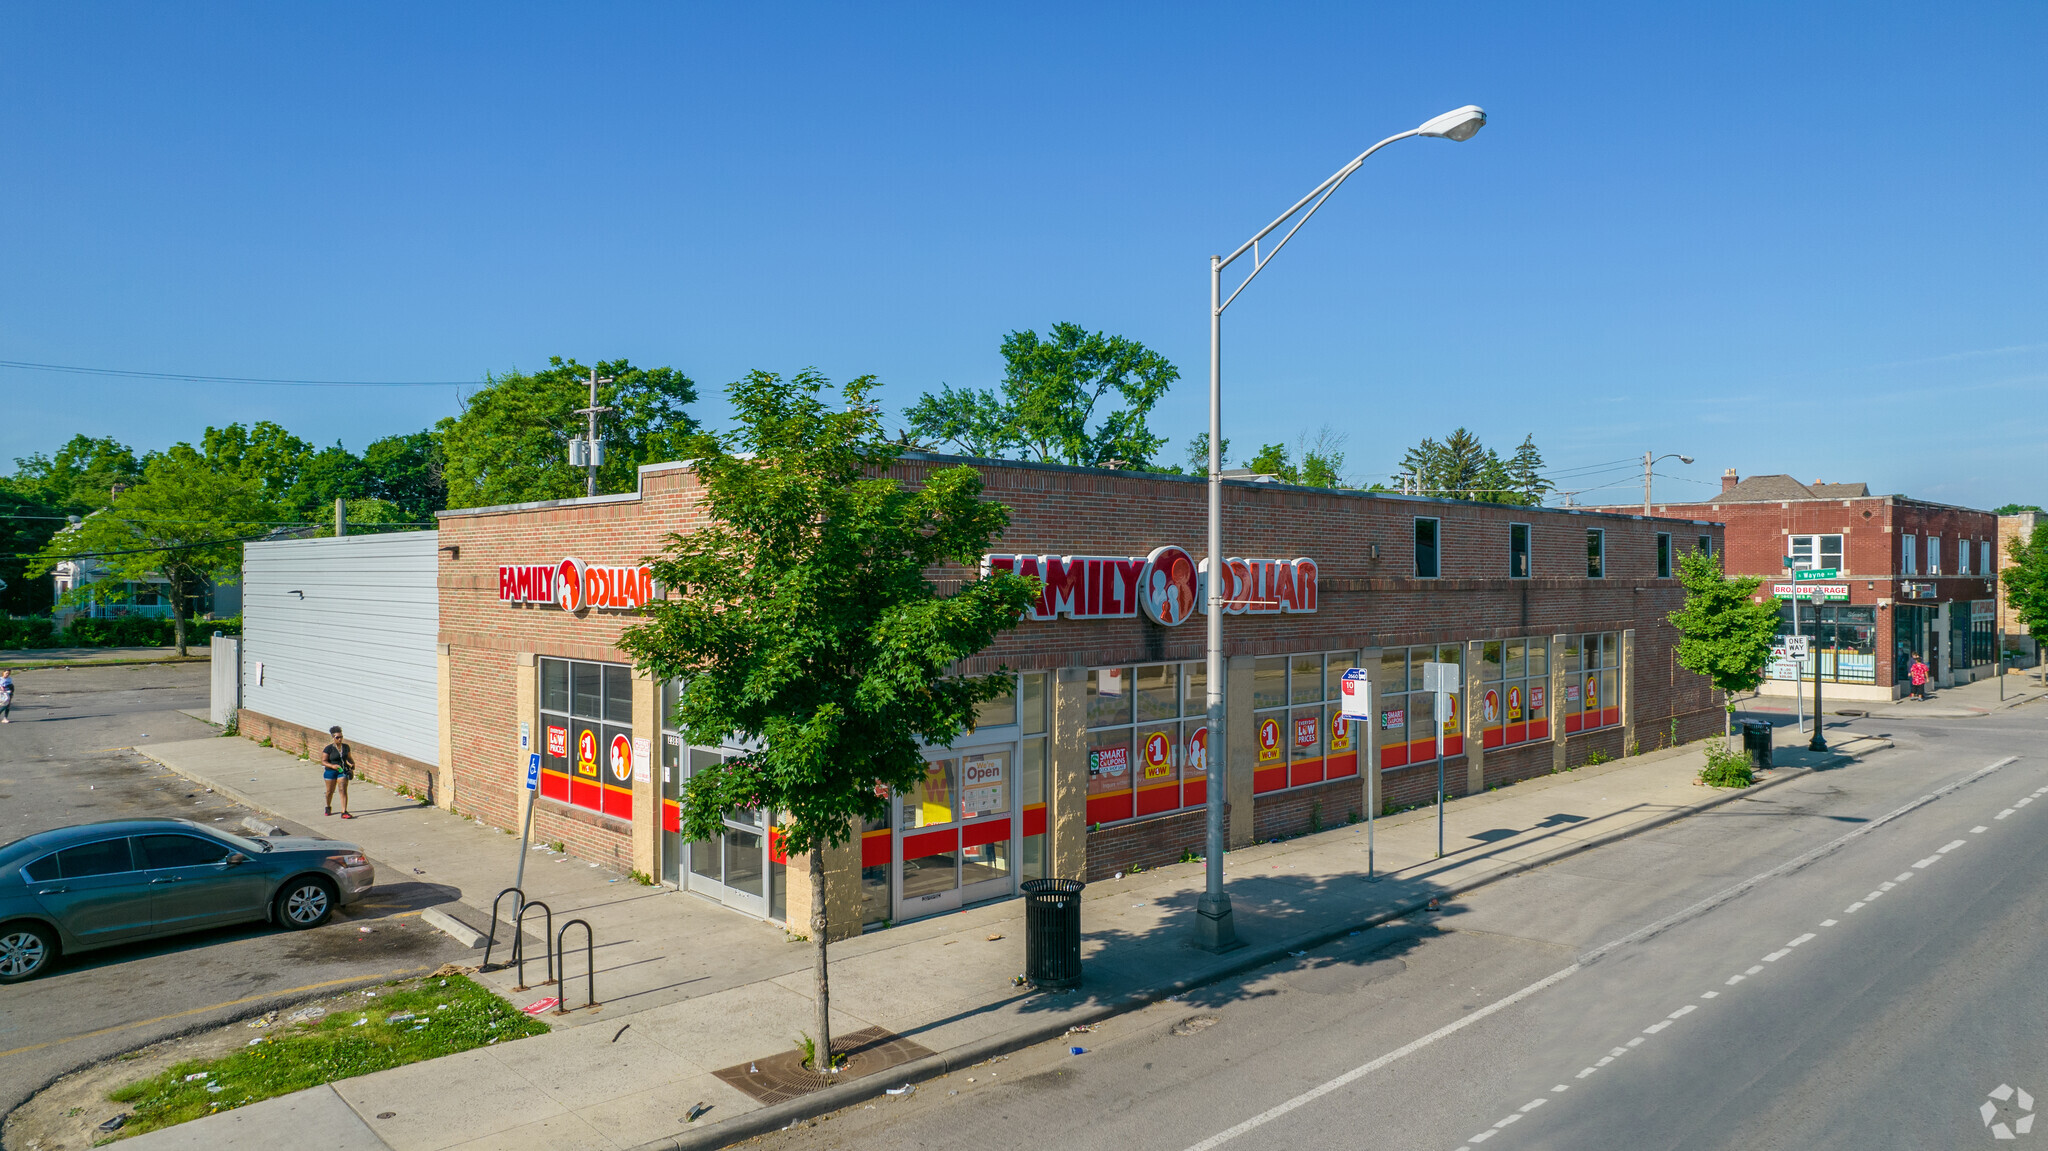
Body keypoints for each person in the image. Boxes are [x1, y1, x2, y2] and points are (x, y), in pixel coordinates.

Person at [321, 725, 356, 818]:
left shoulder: (346, 747)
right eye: (337, 737)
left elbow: (349, 758)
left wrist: (352, 764)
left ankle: (344, 811)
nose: (340, 739)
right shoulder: (328, 748)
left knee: (343, 789)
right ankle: (328, 806)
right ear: (333, 738)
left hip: (342, 771)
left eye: (341, 737)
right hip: (330, 771)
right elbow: (323, 761)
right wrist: (332, 766)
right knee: (330, 791)